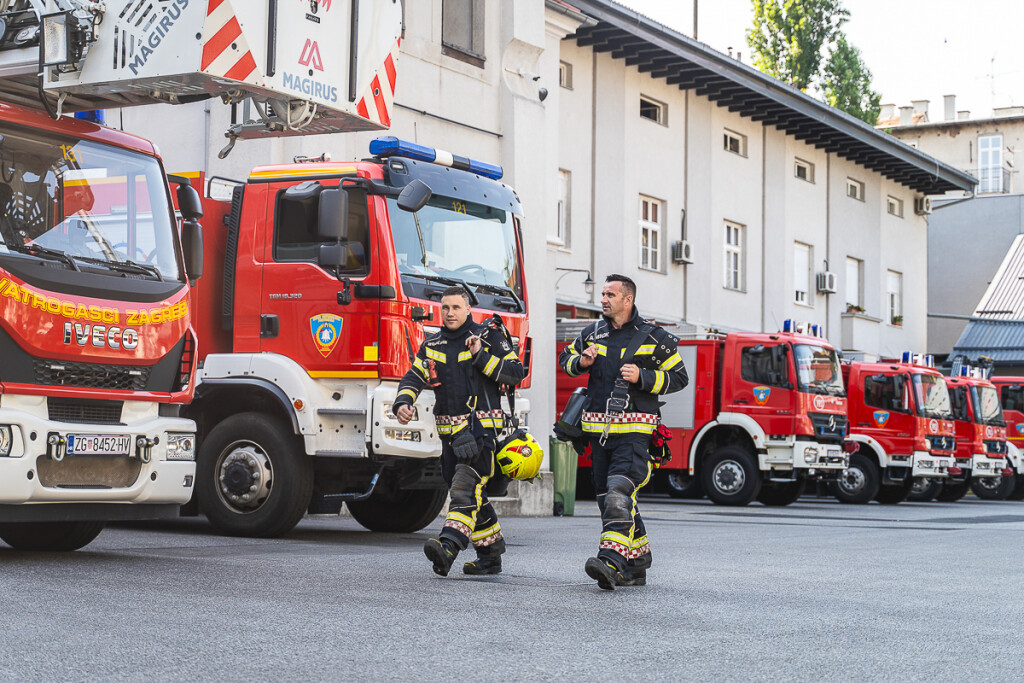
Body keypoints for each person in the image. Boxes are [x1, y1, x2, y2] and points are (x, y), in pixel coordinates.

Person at [558, 274, 688, 590]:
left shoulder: (654, 338)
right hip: (598, 435)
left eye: (610, 294)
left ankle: (611, 561)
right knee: (609, 500)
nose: (603, 299)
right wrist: (581, 361)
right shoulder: (593, 333)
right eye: (602, 293)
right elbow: (565, 361)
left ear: (627, 300)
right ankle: (638, 563)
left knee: (618, 492)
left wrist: (643, 376)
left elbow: (680, 377)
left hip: (636, 434)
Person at [393, 286, 525, 577]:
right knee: (472, 494)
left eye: (456, 307)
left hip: (481, 434)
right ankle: (490, 555)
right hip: (449, 438)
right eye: (445, 308)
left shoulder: (487, 336)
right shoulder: (433, 343)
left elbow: (516, 372)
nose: (450, 313)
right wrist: (403, 402)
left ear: (468, 310)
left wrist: (480, 356)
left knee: (464, 489)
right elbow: (414, 376)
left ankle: (448, 547)